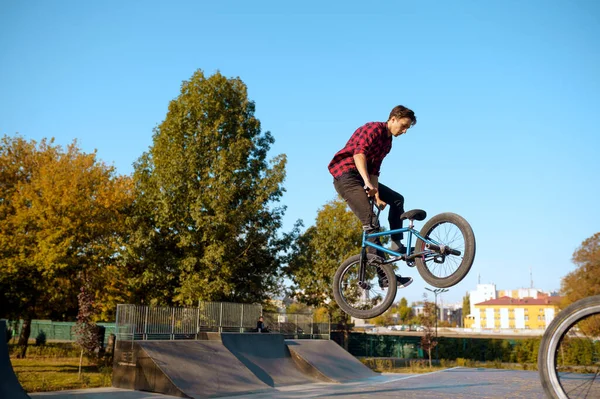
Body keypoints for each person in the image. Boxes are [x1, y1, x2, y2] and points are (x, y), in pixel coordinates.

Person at [328, 105, 417, 288]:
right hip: (346, 176)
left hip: (363, 177)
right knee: (372, 223)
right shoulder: (373, 128)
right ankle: (384, 278)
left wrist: (376, 195)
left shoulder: (388, 143)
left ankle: (396, 244)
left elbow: (375, 170)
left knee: (397, 199)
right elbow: (358, 154)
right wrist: (367, 182)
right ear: (393, 119)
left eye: (407, 128)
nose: (405, 131)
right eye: (403, 126)